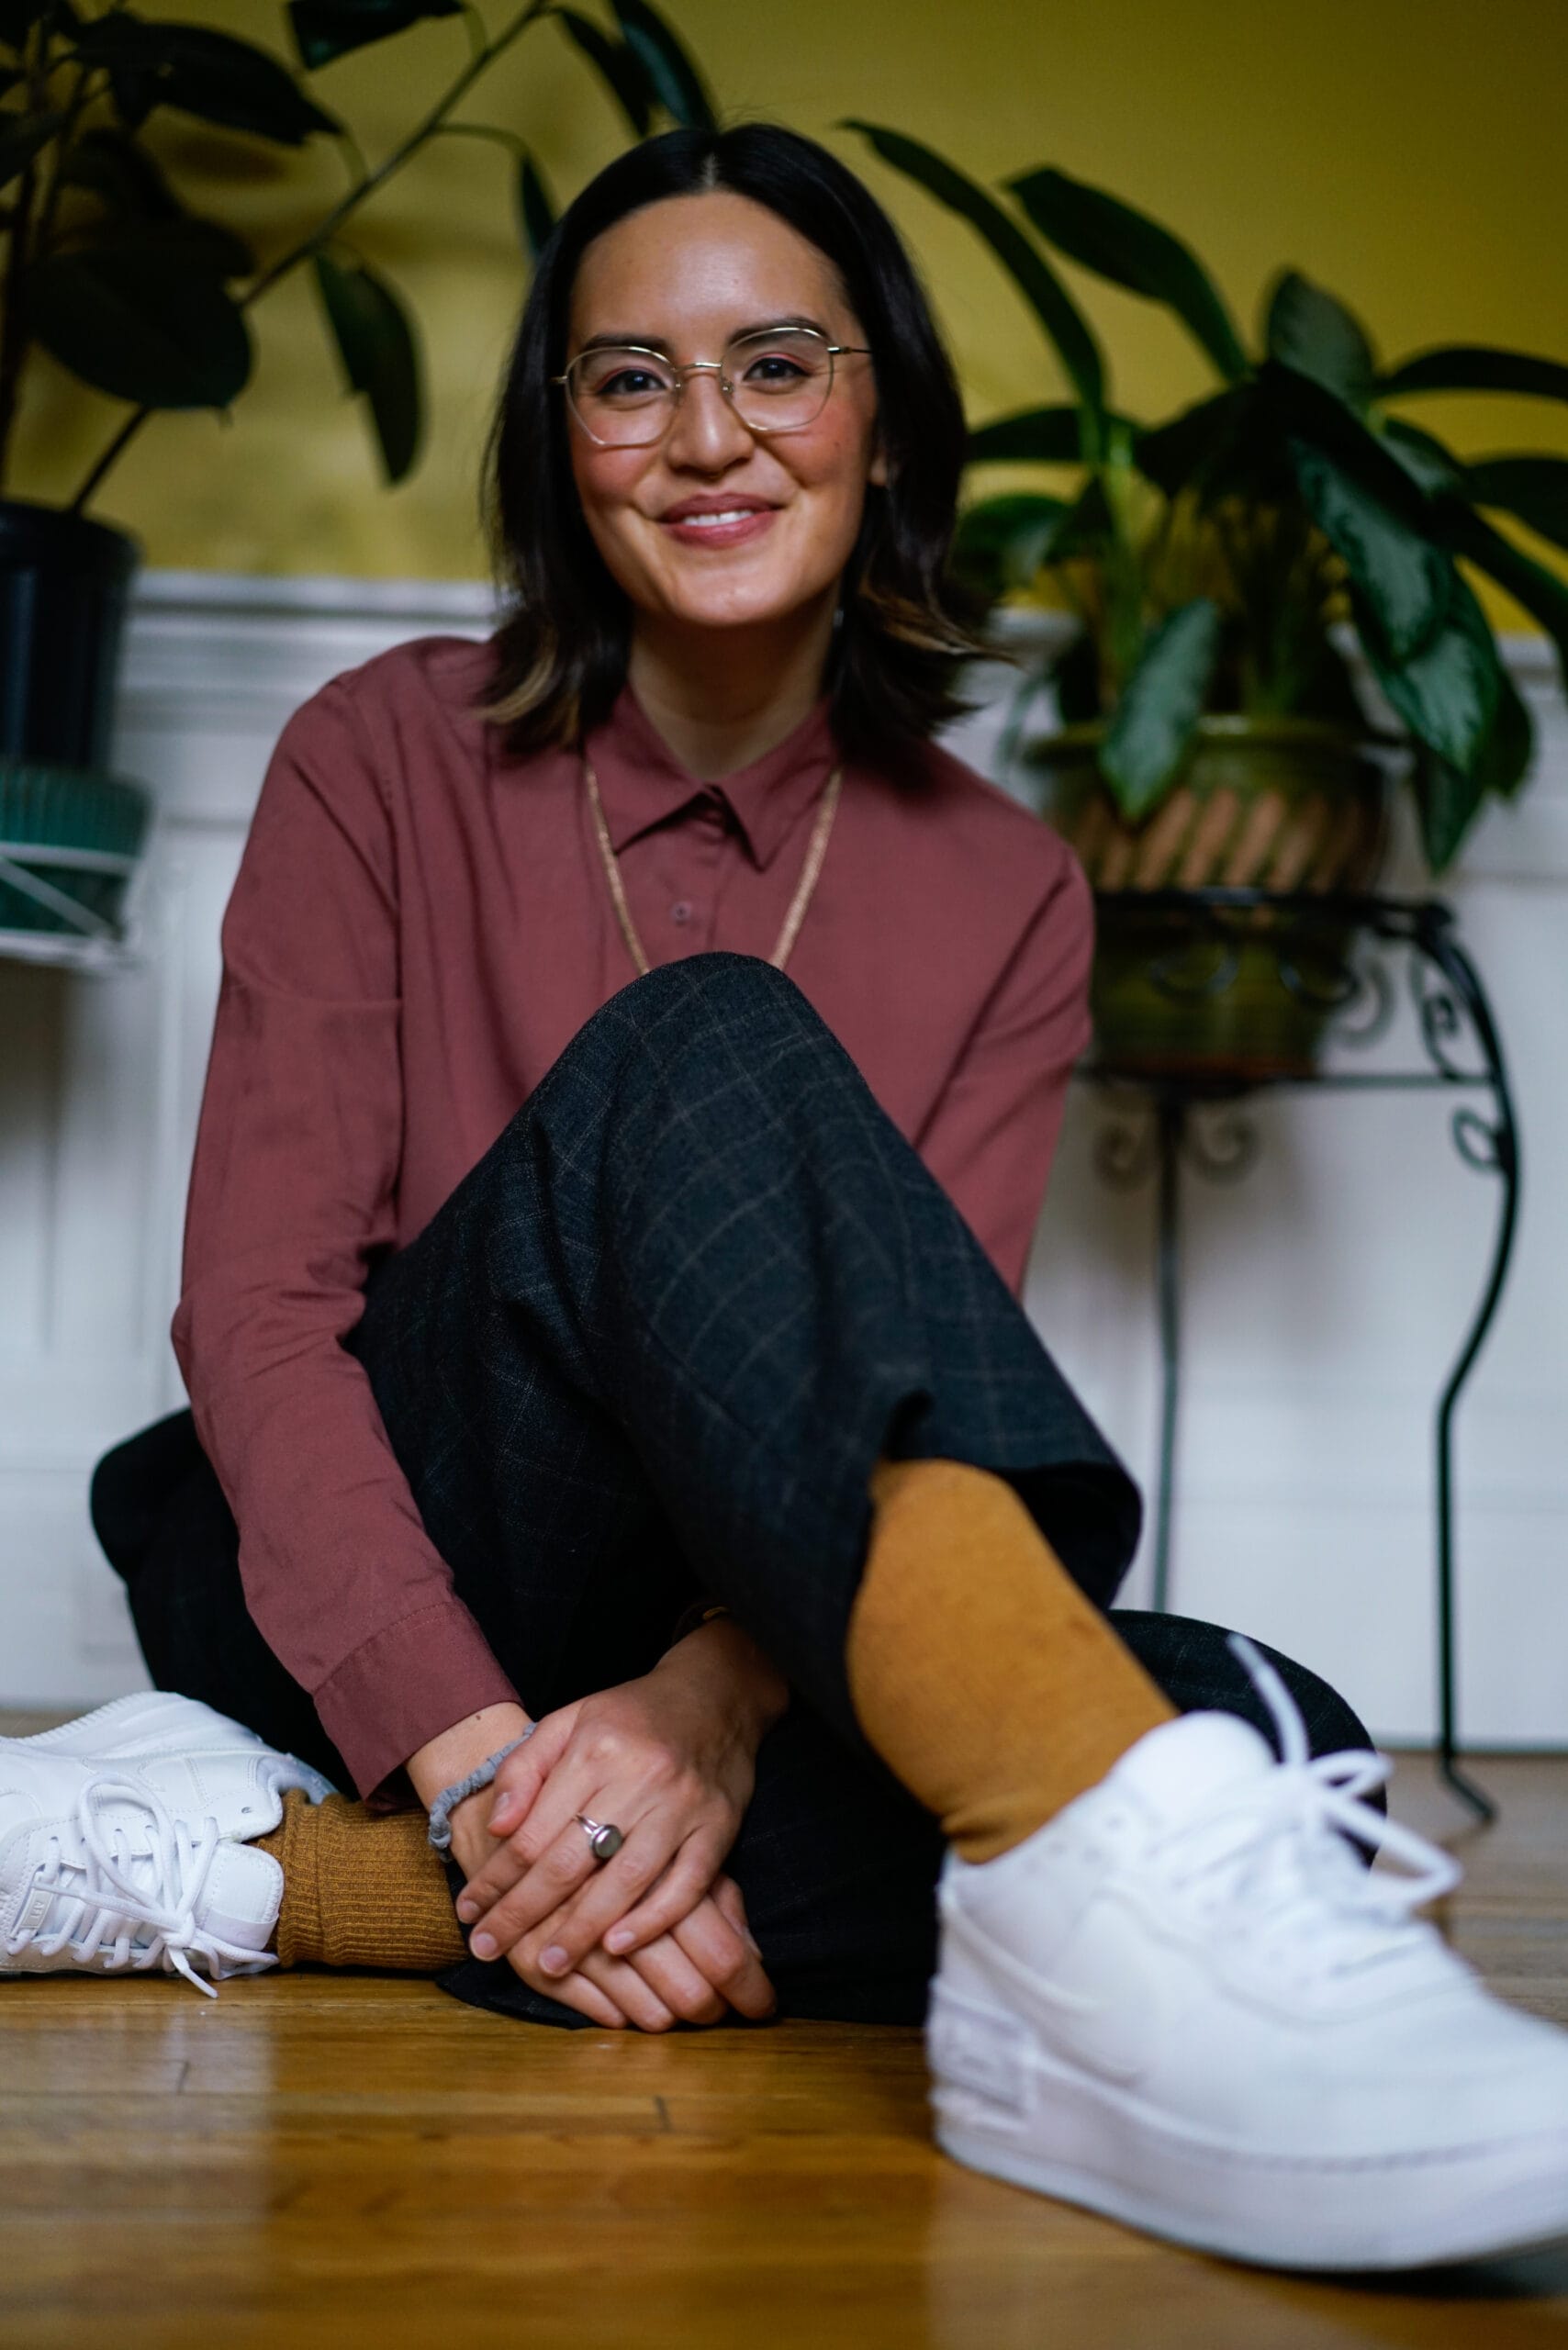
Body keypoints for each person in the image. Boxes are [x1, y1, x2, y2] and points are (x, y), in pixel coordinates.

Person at [7, 124, 1568, 2274]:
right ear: (560, 439)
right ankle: (442, 1818)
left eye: (774, 362)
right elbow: (259, 1320)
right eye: (628, 377)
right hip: (369, 1544)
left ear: (880, 411)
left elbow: (895, 1432)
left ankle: (259, 1873)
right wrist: (471, 1750)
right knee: (709, 1044)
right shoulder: (375, 753)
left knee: (1267, 1731)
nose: (704, 435)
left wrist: (695, 1711)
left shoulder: (1006, 884)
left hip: (719, 1613)